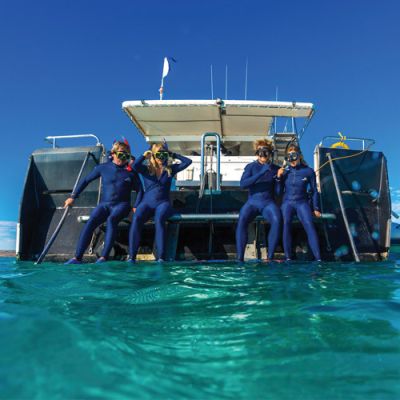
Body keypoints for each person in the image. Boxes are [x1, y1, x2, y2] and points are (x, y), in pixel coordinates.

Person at [64, 140, 142, 264]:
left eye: (126, 156)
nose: (123, 159)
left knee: (112, 220)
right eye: (121, 155)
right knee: (91, 222)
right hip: (105, 204)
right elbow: (85, 181)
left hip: (122, 205)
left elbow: (140, 190)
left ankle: (103, 257)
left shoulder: (131, 173)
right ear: (113, 154)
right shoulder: (103, 168)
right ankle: (77, 258)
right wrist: (73, 197)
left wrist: (137, 206)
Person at [128, 142, 192, 262]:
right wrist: (143, 156)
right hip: (146, 203)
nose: (161, 158)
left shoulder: (170, 170)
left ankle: (161, 257)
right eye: (158, 155)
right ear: (153, 156)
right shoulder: (147, 169)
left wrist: (173, 154)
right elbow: (134, 166)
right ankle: (132, 256)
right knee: (136, 218)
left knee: (159, 219)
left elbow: (188, 162)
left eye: (164, 155)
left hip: (162, 203)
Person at [236, 139, 282, 262]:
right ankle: (240, 258)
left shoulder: (275, 169)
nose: (263, 155)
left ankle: (270, 257)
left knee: (277, 220)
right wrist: (261, 173)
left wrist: (278, 179)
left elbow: (278, 193)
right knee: (242, 219)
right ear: (257, 153)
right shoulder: (251, 167)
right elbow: (243, 184)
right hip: (252, 202)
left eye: (266, 152)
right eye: (260, 152)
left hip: (268, 203)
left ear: (270, 153)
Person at [277, 144, 321, 261]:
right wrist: (278, 178)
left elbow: (314, 191)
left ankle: (318, 259)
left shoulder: (308, 171)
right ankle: (288, 258)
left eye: (295, 155)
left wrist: (316, 208)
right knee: (286, 224)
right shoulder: (285, 172)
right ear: (287, 158)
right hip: (287, 203)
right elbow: (278, 192)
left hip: (302, 203)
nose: (293, 159)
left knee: (309, 224)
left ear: (299, 156)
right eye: (290, 156)